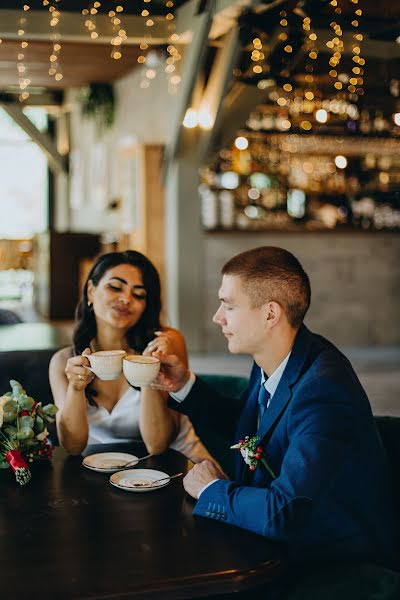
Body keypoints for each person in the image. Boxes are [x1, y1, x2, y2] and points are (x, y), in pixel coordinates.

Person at [152, 246, 396, 570]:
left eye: (228, 305)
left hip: (334, 558)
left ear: (270, 314)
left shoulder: (324, 391)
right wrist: (182, 384)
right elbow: (251, 426)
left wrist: (211, 489)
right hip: (276, 539)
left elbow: (284, 512)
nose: (217, 317)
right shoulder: (278, 355)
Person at [49, 250, 213, 463]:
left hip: (179, 465)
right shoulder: (64, 362)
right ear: (91, 291)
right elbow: (73, 446)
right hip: (104, 471)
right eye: (115, 287)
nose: (126, 299)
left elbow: (158, 444)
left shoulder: (165, 343)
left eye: (139, 294)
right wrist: (76, 388)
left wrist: (148, 368)